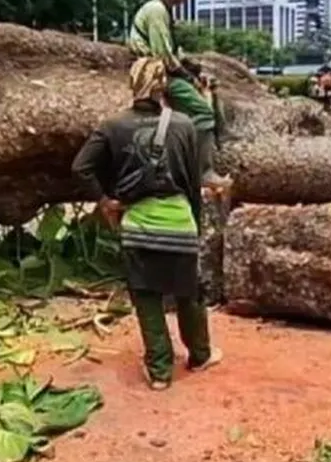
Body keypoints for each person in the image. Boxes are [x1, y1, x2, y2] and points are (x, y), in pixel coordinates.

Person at [71, 57, 223, 390]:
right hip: (179, 222)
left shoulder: (113, 126)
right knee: (188, 292)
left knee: (146, 295)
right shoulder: (184, 125)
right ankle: (200, 356)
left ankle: (159, 373)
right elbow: (193, 181)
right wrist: (194, 226)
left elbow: (81, 167)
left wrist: (105, 200)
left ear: (131, 84)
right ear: (164, 86)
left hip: (138, 224)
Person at [127, 0, 230, 191]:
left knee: (211, 93)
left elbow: (175, 51)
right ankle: (204, 171)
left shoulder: (163, 10)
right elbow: (163, 55)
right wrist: (188, 77)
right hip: (154, 73)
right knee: (203, 112)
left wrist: (195, 69)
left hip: (163, 68)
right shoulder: (156, 11)